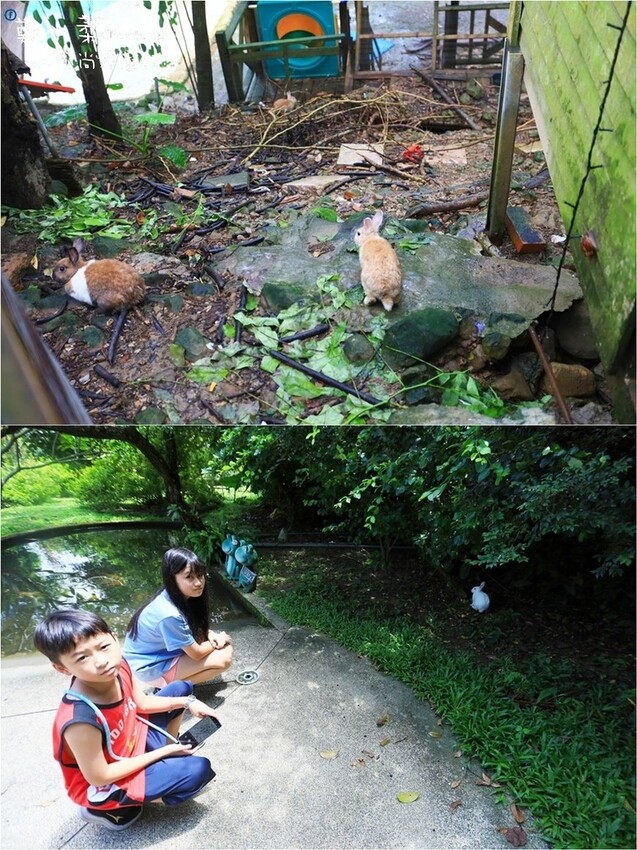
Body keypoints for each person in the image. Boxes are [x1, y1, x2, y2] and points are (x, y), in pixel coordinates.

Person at [34, 609, 218, 831]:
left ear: (113, 637)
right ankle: (109, 809)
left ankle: (168, 757)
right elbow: (100, 776)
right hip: (108, 779)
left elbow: (141, 704)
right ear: (62, 668)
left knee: (182, 689)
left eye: (103, 647)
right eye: (82, 657)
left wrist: (187, 702)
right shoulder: (80, 720)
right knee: (197, 771)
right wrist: (163, 752)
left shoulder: (118, 667)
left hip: (132, 743)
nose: (101, 661)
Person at [123, 548, 233, 688]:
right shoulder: (169, 614)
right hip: (149, 667)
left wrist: (211, 635)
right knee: (224, 657)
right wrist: (220, 639)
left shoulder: (175, 596)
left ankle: (174, 680)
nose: (198, 582)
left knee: (216, 646)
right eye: (189, 577)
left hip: (157, 656)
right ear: (172, 579)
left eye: (200, 575)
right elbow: (197, 654)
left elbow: (194, 629)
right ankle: (170, 688)